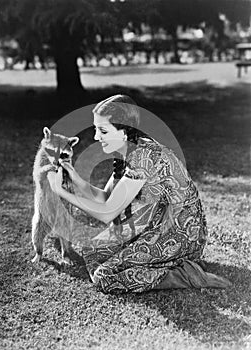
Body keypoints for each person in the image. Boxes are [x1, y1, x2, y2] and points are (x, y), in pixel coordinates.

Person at [47, 94, 231, 293]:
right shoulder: (128, 150)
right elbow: (107, 199)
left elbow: (108, 212)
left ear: (124, 131)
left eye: (103, 131)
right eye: (96, 129)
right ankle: (161, 264)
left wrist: (61, 192)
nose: (96, 137)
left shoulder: (143, 158)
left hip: (180, 234)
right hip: (154, 223)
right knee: (91, 251)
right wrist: (73, 176)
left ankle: (186, 273)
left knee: (105, 277)